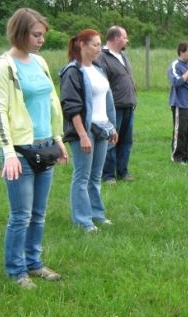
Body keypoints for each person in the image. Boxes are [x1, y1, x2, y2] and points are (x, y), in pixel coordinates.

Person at [0, 8, 67, 289]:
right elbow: (0, 111)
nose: (41, 40)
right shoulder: (4, 65)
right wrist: (9, 152)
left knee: (39, 214)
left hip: (46, 147)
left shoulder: (40, 62)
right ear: (19, 33)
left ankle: (34, 263)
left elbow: (50, 102)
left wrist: (58, 140)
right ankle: (16, 271)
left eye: (42, 35)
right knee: (20, 215)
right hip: (20, 151)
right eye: (36, 35)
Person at [59, 29, 118, 233]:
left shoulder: (98, 69)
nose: (98, 49)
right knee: (82, 176)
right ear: (81, 45)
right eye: (94, 44)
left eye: (99, 44)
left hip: (102, 128)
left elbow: (107, 100)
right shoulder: (72, 71)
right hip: (85, 131)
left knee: (96, 176)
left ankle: (97, 214)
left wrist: (112, 126)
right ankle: (83, 220)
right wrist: (83, 135)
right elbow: (71, 107)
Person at [96, 26, 137, 184]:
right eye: (125, 37)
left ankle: (122, 172)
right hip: (113, 108)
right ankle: (108, 175)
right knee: (112, 141)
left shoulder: (123, 56)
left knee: (126, 141)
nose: (127, 40)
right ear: (116, 38)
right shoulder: (102, 57)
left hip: (128, 106)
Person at [167, 41, 188, 164]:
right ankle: (177, 157)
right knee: (181, 132)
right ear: (181, 52)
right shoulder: (175, 65)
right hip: (181, 104)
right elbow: (176, 82)